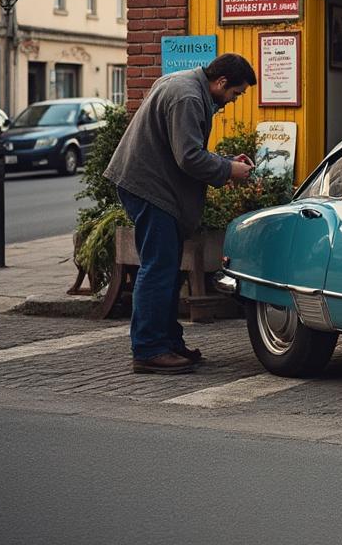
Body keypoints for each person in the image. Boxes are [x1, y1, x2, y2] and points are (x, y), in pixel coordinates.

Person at [105, 53, 257, 374]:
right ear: (221, 82)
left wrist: (226, 160)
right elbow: (188, 157)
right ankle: (149, 350)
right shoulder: (188, 95)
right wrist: (229, 169)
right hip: (151, 188)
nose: (233, 101)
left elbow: (178, 148)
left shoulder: (186, 85)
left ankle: (168, 342)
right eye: (235, 94)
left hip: (152, 184)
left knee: (167, 269)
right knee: (159, 268)